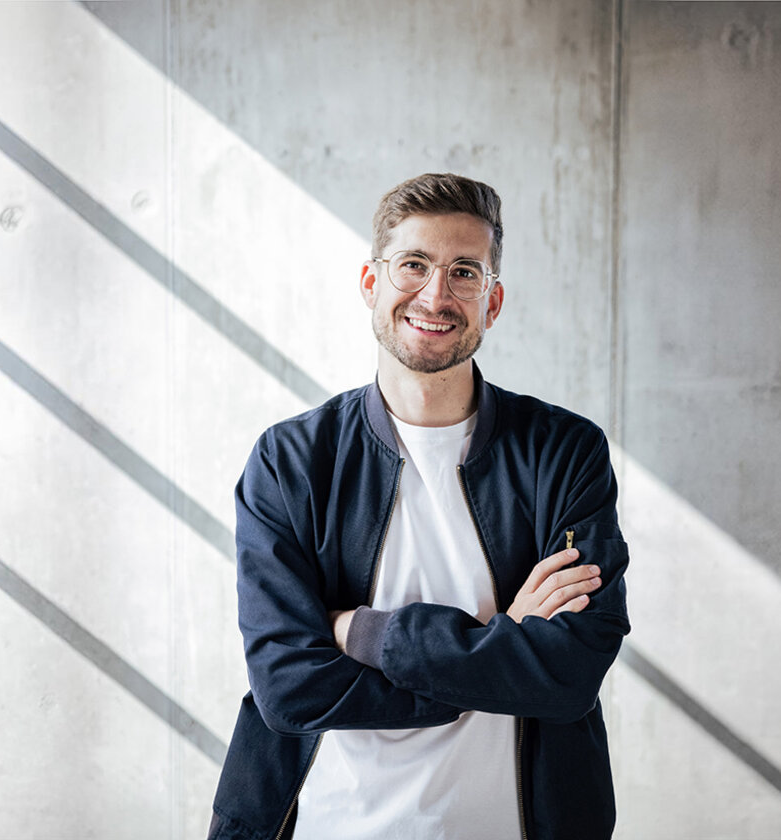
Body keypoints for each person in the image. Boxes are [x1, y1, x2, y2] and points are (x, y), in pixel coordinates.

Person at [208, 173, 630, 840]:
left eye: (465, 272)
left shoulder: (564, 453)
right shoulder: (291, 461)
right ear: (372, 284)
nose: (436, 295)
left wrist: (361, 634)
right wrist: (504, 644)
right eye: (413, 264)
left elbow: (569, 673)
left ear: (493, 303)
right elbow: (290, 687)